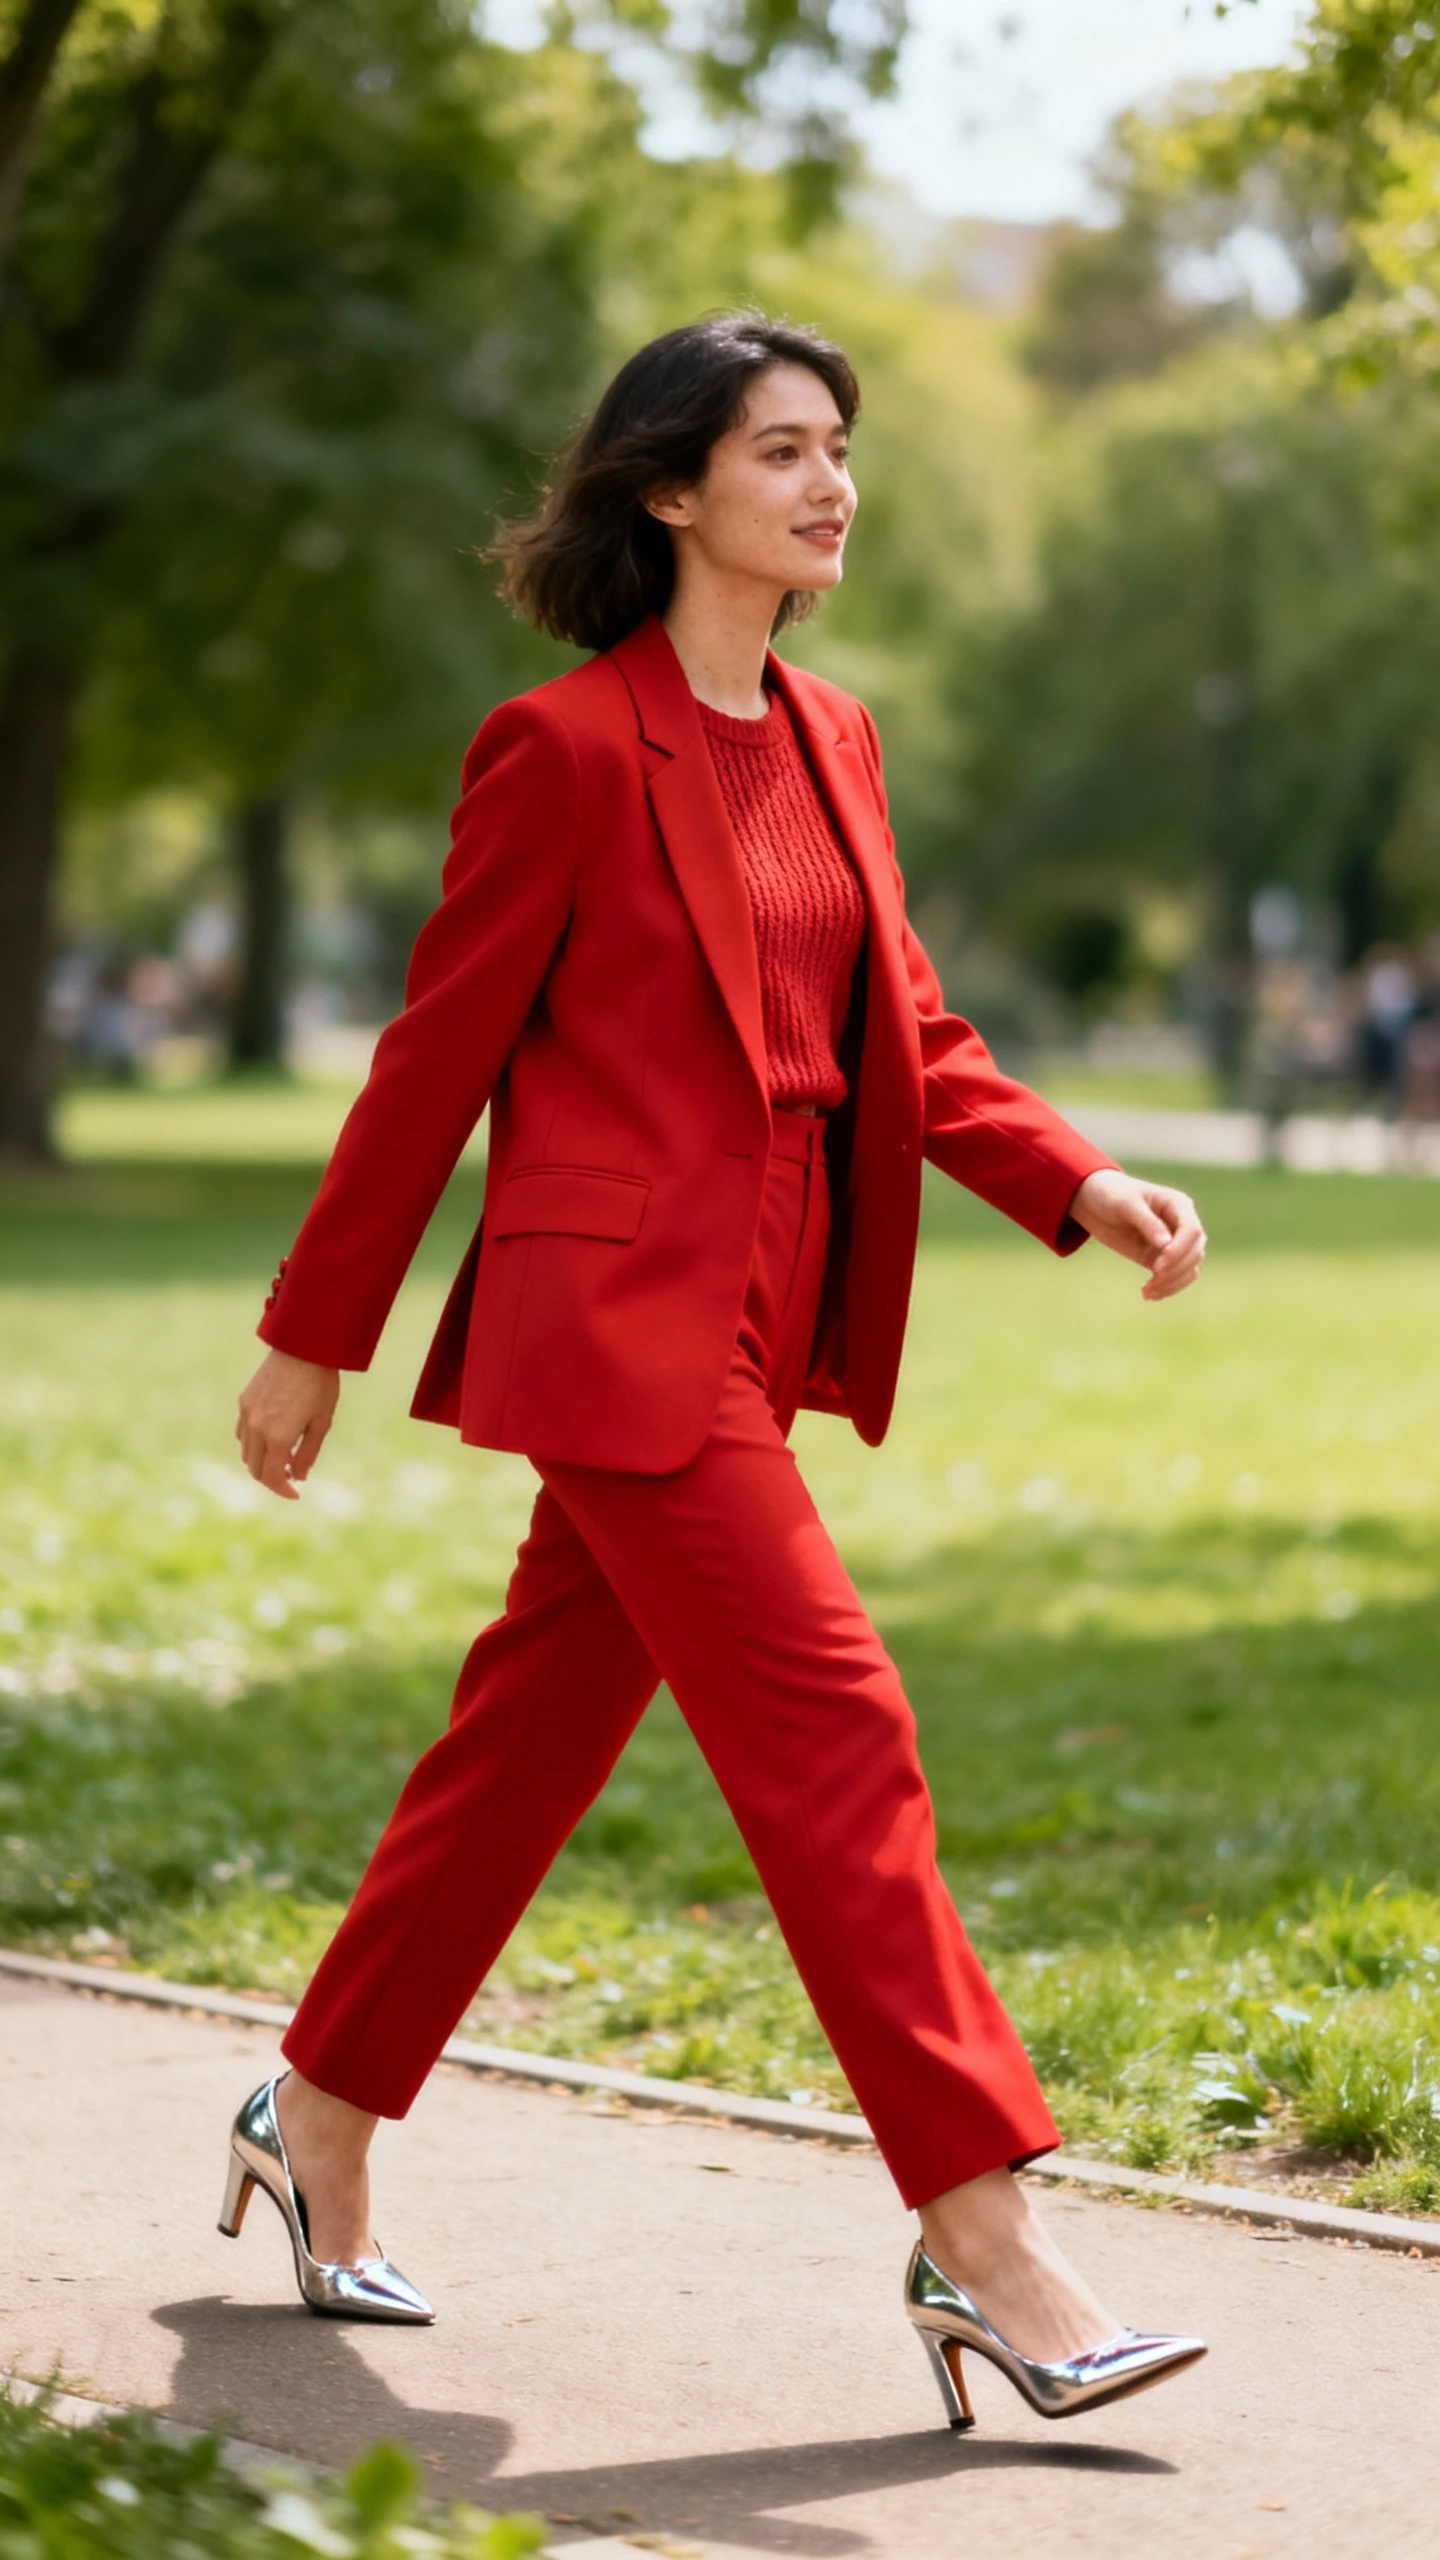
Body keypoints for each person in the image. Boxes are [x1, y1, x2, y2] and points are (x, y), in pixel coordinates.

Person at [226, 314, 1208, 2426]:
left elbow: (909, 1040)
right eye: (782, 450)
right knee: (838, 1725)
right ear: (672, 488)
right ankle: (990, 2240)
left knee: (529, 1742)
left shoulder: (834, 739)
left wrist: (1076, 1172)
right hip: (620, 1325)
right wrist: (317, 1333)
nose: (829, 482)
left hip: (770, 1304)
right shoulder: (565, 747)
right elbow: (437, 1062)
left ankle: (311, 2110)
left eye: (840, 449)